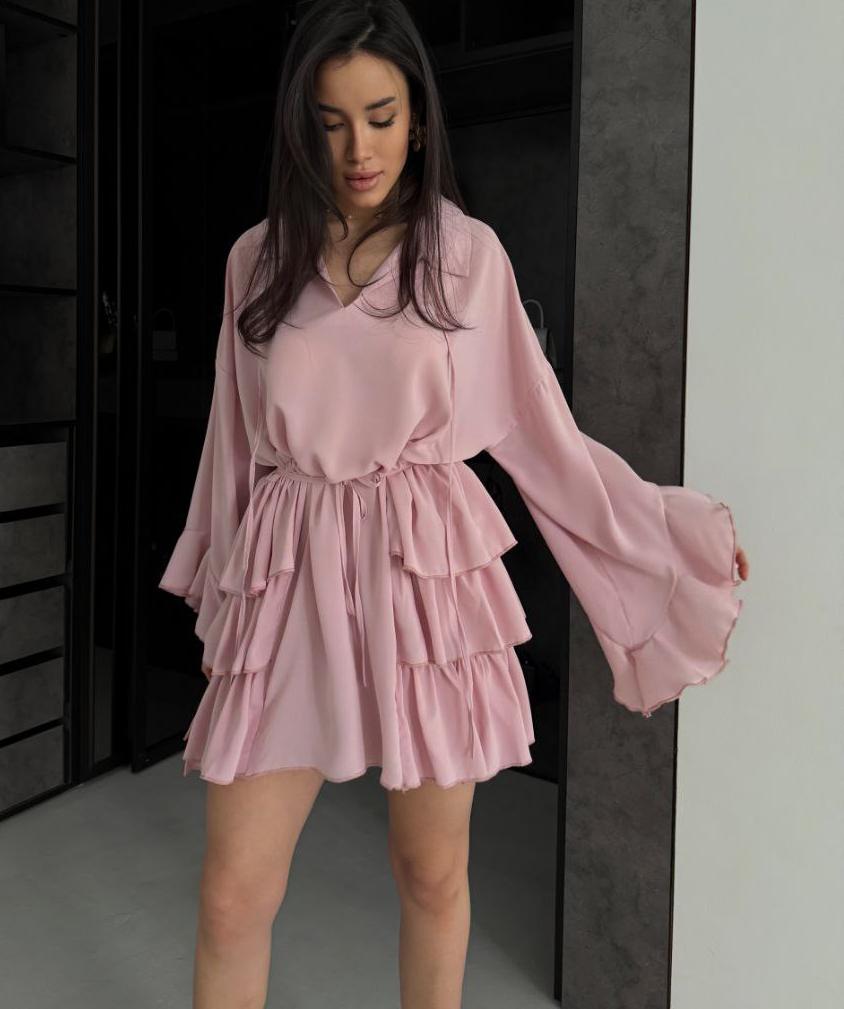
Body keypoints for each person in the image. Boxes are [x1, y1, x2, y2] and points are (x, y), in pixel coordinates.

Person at [156, 1, 750, 1006]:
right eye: (332, 121)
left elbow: (541, 435)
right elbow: (232, 440)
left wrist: (664, 537)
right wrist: (218, 590)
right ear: (301, 128)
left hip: (425, 576)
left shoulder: (465, 255)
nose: (359, 149)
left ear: (420, 119)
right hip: (289, 569)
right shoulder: (255, 259)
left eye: (381, 117)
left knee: (430, 873)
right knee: (229, 896)